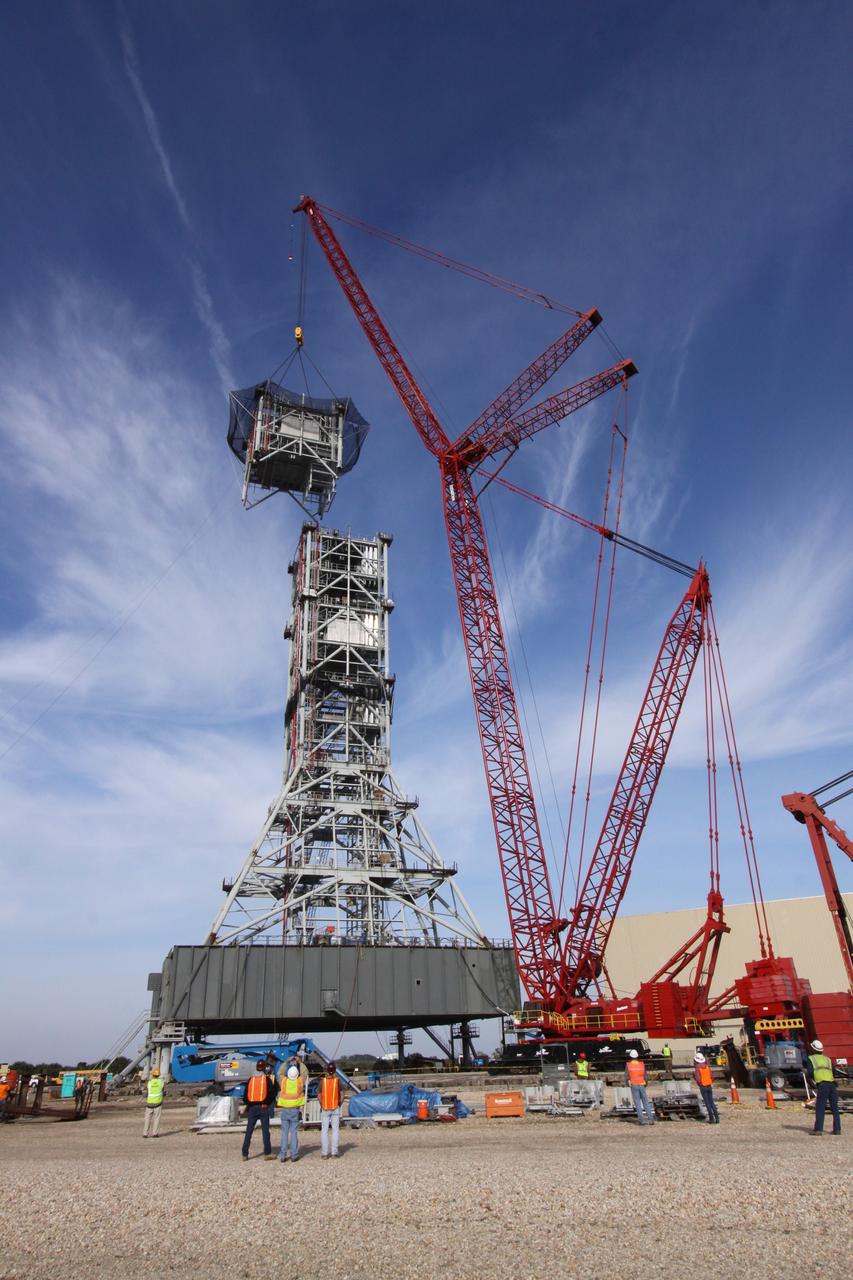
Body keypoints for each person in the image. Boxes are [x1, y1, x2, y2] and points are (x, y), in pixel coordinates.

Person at [242, 1062, 278, 1161]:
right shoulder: (266, 1079)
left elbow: (245, 1096)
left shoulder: (251, 1080)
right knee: (265, 1132)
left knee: (249, 1131)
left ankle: (244, 1154)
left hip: (252, 1108)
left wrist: (250, 1104)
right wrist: (267, 1103)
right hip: (263, 1108)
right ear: (264, 1068)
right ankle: (267, 1153)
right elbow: (272, 1094)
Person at [806, 1040, 841, 1136]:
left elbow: (810, 1072)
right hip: (832, 1085)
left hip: (822, 1085)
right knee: (835, 1108)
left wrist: (813, 1082)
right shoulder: (828, 1059)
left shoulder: (811, 1058)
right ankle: (837, 1129)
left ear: (813, 1049)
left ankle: (818, 1130)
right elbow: (833, 1072)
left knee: (820, 1107)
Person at [276, 1058, 305, 1161]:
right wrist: (300, 1062)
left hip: (285, 1109)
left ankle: (283, 1155)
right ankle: (294, 1155)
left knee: (284, 1133)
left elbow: (279, 1073)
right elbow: (305, 1073)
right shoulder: (300, 1082)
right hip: (295, 1110)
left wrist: (286, 1062)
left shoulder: (284, 1081)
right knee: (293, 1132)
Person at [319, 1061, 346, 1158]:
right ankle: (334, 1152)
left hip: (325, 1108)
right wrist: (339, 1104)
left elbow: (319, 1094)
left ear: (326, 1070)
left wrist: (322, 1104)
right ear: (334, 1070)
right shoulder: (337, 1081)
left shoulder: (322, 1081)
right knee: (335, 1131)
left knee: (324, 1131)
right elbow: (342, 1094)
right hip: (335, 1108)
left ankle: (325, 1153)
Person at [625, 1049, 655, 1125]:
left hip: (634, 1085)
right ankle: (651, 1119)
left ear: (630, 1057)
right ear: (637, 1056)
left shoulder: (628, 1065)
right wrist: (645, 1084)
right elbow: (645, 1076)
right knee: (646, 1102)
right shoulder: (641, 1064)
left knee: (638, 1103)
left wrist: (628, 1085)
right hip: (642, 1084)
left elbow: (626, 1077)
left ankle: (642, 1121)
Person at [693, 1052, 720, 1124]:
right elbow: (711, 1077)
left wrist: (700, 1084)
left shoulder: (697, 1068)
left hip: (703, 1086)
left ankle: (711, 1119)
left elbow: (698, 1079)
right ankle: (717, 1118)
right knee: (712, 1102)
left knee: (707, 1103)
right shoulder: (707, 1067)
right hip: (709, 1086)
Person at [143, 1067, 164, 1137]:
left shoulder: (149, 1082)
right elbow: (162, 1090)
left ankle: (145, 1133)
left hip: (149, 1103)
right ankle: (155, 1133)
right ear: (159, 1075)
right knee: (156, 1119)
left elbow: (147, 1091)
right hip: (158, 1103)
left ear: (152, 1075)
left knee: (147, 1119)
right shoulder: (161, 1082)